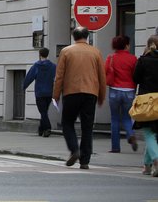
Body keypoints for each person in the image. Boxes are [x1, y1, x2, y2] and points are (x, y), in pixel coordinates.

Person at [53, 27, 106, 169]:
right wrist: (102, 95)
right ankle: (85, 160)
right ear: (87, 36)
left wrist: (56, 95)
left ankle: (74, 149)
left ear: (73, 37)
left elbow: (59, 76)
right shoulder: (96, 52)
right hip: (90, 93)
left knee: (67, 122)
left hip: (71, 92)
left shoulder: (66, 51)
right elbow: (102, 76)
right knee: (87, 127)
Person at [105, 35, 138, 153]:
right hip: (129, 91)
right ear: (126, 45)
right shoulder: (133, 59)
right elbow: (136, 75)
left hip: (114, 90)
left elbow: (105, 72)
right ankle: (130, 134)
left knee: (114, 118)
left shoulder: (111, 58)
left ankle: (115, 147)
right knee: (127, 117)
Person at [133, 35, 158, 176]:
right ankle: (147, 166)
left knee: (148, 131)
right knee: (155, 132)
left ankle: (156, 159)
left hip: (147, 100)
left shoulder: (143, 60)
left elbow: (135, 78)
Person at [23, 48, 56, 137]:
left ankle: (47, 128)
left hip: (40, 92)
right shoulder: (53, 66)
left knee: (43, 112)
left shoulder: (36, 66)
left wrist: (24, 86)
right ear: (47, 54)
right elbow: (58, 77)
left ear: (40, 54)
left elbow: (29, 77)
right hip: (49, 92)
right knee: (44, 111)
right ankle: (41, 129)